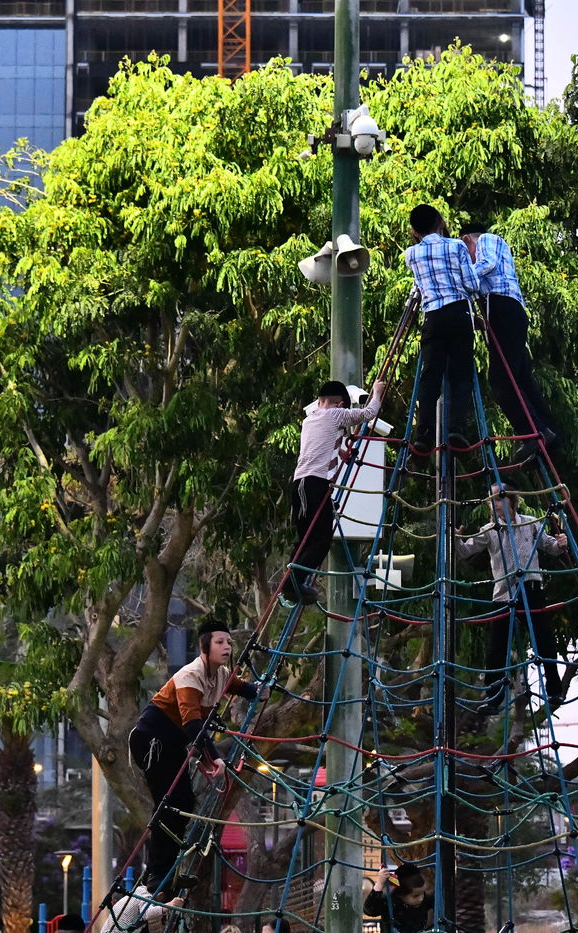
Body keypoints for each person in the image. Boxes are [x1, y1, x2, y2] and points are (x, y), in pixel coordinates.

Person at [129, 618, 267, 891]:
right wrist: (213, 757)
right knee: (169, 802)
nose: (227, 646)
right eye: (219, 642)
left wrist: (260, 691)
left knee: (185, 801)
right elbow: (192, 723)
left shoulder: (221, 674)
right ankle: (157, 872)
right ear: (205, 646)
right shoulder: (190, 676)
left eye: (228, 642)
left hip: (172, 743)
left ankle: (167, 869)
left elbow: (243, 688)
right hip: (152, 741)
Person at [456, 483, 568, 713]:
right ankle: (494, 696)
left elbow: (550, 547)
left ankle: (555, 689)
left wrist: (561, 543)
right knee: (497, 647)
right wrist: (455, 538)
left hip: (531, 588)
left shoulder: (530, 522)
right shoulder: (490, 529)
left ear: (512, 501)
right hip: (504, 594)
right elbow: (466, 551)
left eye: (499, 498)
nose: (495, 503)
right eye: (492, 499)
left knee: (544, 641)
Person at [458, 222, 560, 464]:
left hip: (502, 308)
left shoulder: (486, 240)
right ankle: (548, 434)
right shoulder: (490, 253)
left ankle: (533, 434)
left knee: (501, 381)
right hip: (508, 311)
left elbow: (487, 264)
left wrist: (459, 275)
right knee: (522, 378)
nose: (469, 259)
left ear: (466, 240)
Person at [288, 379, 387, 603]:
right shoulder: (336, 415)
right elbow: (369, 413)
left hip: (300, 484)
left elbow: (322, 443)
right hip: (316, 484)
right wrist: (377, 392)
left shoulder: (309, 420)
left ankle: (292, 581)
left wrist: (342, 452)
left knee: (306, 538)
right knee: (321, 540)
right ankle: (294, 580)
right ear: (340, 404)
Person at [404, 204, 482, 453]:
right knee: (461, 374)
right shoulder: (456, 246)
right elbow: (470, 284)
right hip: (458, 313)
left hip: (433, 317)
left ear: (415, 232)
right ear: (440, 222)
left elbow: (419, 286)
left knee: (430, 377)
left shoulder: (411, 255)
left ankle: (423, 434)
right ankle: (456, 428)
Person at [364, 863, 432, 933]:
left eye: (423, 893)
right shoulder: (391, 903)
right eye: (416, 896)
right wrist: (380, 883)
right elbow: (370, 909)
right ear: (401, 894)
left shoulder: (425, 900)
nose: (421, 898)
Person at [100, 892, 185, 933]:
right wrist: (170, 905)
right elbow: (148, 913)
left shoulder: (137, 893)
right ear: (160, 895)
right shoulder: (144, 896)